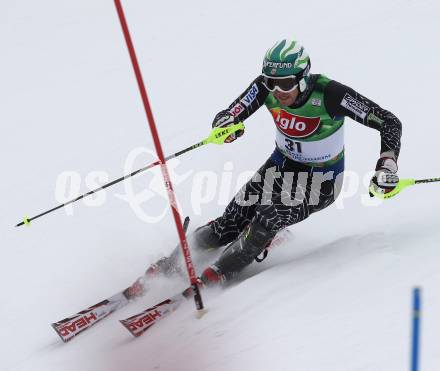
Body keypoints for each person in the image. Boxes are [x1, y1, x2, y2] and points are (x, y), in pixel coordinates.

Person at [125, 38, 402, 298]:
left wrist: (386, 164)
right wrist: (226, 125)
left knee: (267, 216)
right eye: (271, 82)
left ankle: (221, 271)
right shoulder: (265, 88)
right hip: (280, 167)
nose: (277, 90)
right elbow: (232, 112)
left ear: (303, 78)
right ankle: (172, 264)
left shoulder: (330, 94)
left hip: (322, 180)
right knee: (228, 224)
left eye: (284, 83)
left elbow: (389, 121)